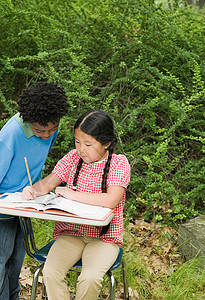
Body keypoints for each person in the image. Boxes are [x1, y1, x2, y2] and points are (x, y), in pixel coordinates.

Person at [0, 81, 69, 300]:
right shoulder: (11, 135)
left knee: (16, 262)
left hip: (25, 204)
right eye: (40, 131)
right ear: (29, 120)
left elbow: (38, 159)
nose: (47, 135)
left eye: (52, 129)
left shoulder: (50, 125)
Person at [21, 109, 131, 300]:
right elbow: (47, 183)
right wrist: (32, 189)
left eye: (88, 144)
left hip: (104, 239)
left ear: (106, 143)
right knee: (51, 272)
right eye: (77, 142)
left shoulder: (118, 163)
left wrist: (72, 195)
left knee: (89, 278)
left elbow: (111, 200)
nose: (81, 149)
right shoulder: (72, 159)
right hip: (71, 234)